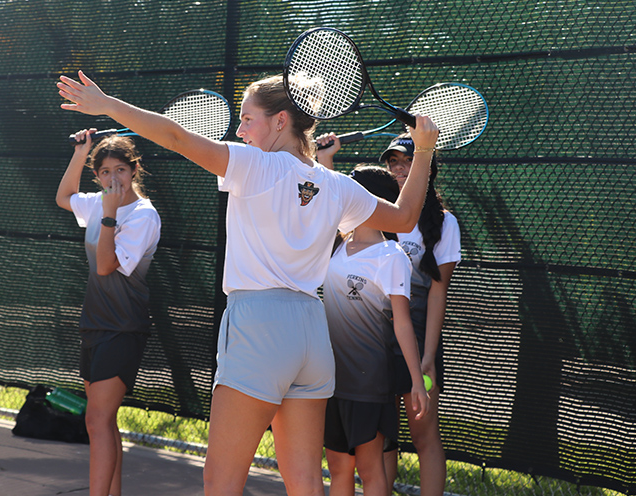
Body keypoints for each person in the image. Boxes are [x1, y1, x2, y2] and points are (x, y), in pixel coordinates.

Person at [57, 70, 439, 496]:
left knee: (221, 481)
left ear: (280, 121)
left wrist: (108, 104)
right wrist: (423, 150)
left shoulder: (254, 164)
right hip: (312, 336)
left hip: (260, 327)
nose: (239, 130)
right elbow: (405, 218)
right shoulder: (337, 186)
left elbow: (177, 138)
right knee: (308, 483)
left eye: (247, 118)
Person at [55, 131, 161, 496]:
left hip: (123, 328)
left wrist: (110, 214)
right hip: (94, 324)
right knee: (104, 422)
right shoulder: (99, 203)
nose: (113, 178)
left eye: (120, 169)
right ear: (96, 175)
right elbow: (64, 197)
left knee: (97, 420)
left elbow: (105, 266)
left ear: (134, 170)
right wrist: (80, 152)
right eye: (104, 172)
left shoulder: (144, 216)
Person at [313, 161, 428, 496]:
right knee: (338, 469)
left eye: (350, 193)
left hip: (369, 382)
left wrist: (417, 382)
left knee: (369, 470)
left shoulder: (391, 256)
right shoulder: (334, 246)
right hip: (331, 379)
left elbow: (402, 323)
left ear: (370, 202)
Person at [380, 133, 461, 496]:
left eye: (406, 161)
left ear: (427, 169)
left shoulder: (446, 224)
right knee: (381, 436)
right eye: (393, 162)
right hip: (377, 342)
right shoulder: (377, 212)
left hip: (419, 343)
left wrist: (427, 358)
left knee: (423, 433)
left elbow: (437, 294)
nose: (399, 169)